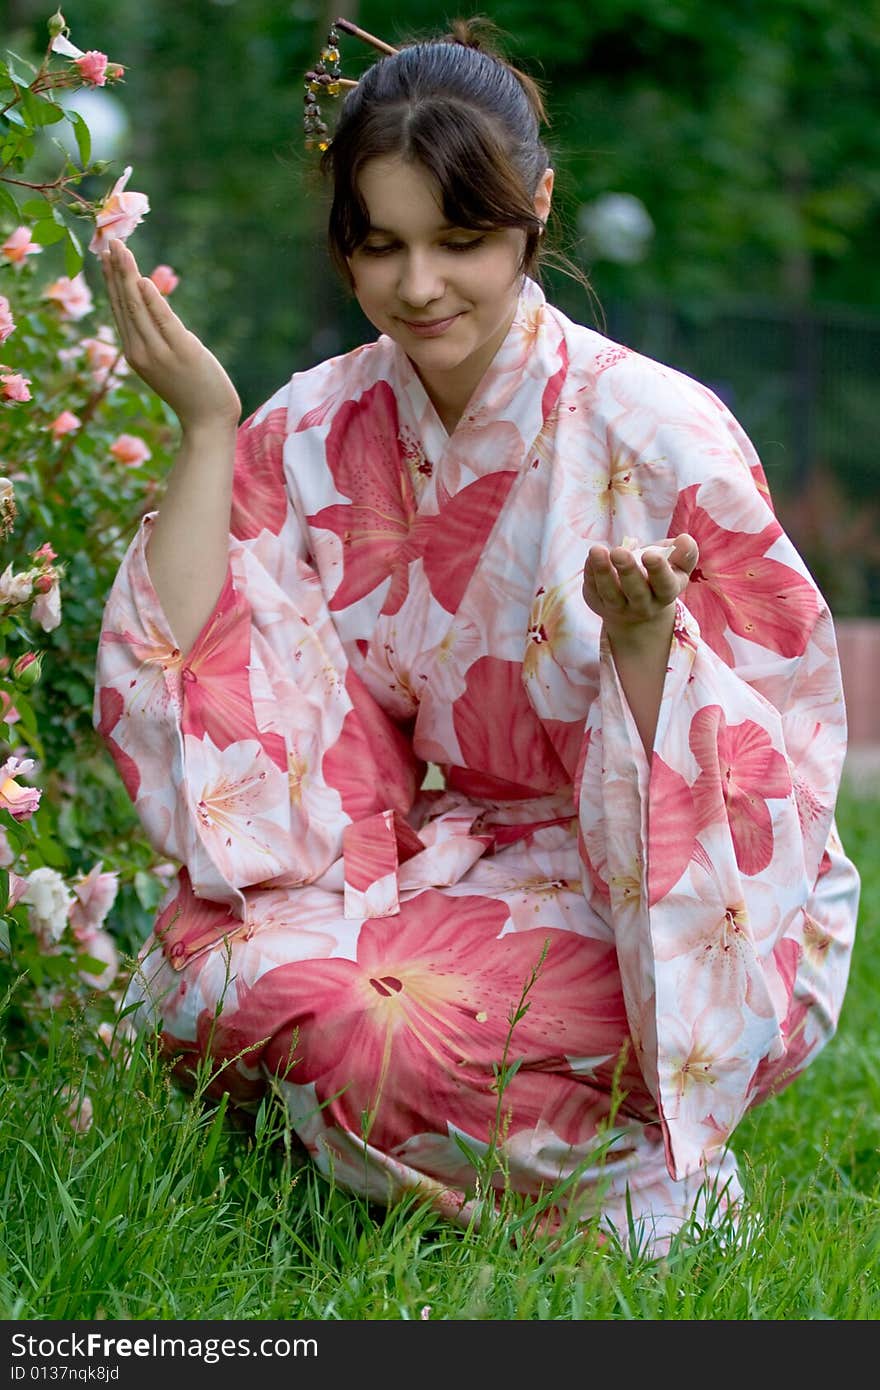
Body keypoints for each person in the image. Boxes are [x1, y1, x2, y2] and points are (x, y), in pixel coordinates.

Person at [94, 16, 860, 1256]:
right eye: (379, 245)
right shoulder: (310, 428)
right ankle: (533, 1167)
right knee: (215, 981)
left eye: (461, 242)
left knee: (394, 1032)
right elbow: (213, 675)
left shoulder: (662, 430)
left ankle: (629, 1180)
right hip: (441, 867)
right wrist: (204, 427)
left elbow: (780, 769)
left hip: (652, 898)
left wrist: (649, 646)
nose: (417, 288)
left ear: (536, 212)